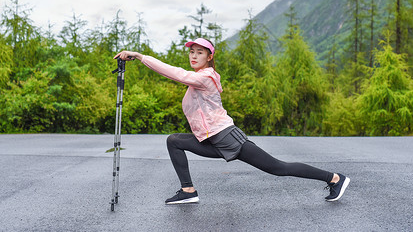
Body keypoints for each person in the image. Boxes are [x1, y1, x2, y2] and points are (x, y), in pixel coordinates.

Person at [114, 38, 350, 204]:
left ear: (209, 57)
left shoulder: (206, 77)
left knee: (278, 168)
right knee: (174, 140)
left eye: (200, 52)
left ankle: (335, 178)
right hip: (211, 140)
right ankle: (188, 191)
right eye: (191, 52)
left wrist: (140, 56)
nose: (194, 56)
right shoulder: (197, 78)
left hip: (228, 138)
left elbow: (176, 73)